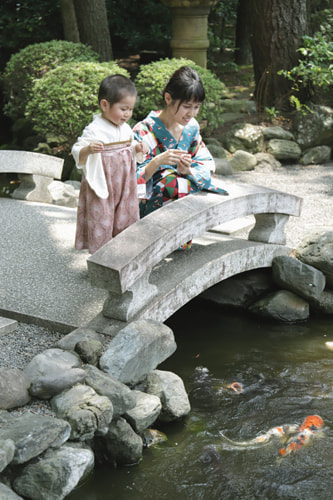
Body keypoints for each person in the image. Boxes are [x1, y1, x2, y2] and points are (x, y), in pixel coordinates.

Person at [133, 66, 228, 222]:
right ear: (168, 99)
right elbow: (128, 179)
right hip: (150, 206)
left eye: (196, 107)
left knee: (185, 186)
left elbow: (205, 164)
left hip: (184, 194)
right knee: (173, 185)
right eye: (186, 106)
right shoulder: (144, 131)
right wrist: (157, 162)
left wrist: (188, 170)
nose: (191, 113)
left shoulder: (191, 129)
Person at [72, 74, 148, 254]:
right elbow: (77, 150)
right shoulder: (94, 129)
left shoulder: (125, 128)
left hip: (124, 181)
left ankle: (122, 252)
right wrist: (88, 150)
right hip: (103, 180)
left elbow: (130, 146)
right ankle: (102, 256)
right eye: (123, 109)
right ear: (105, 105)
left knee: (125, 213)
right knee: (102, 215)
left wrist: (137, 147)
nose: (127, 114)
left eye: (130, 109)